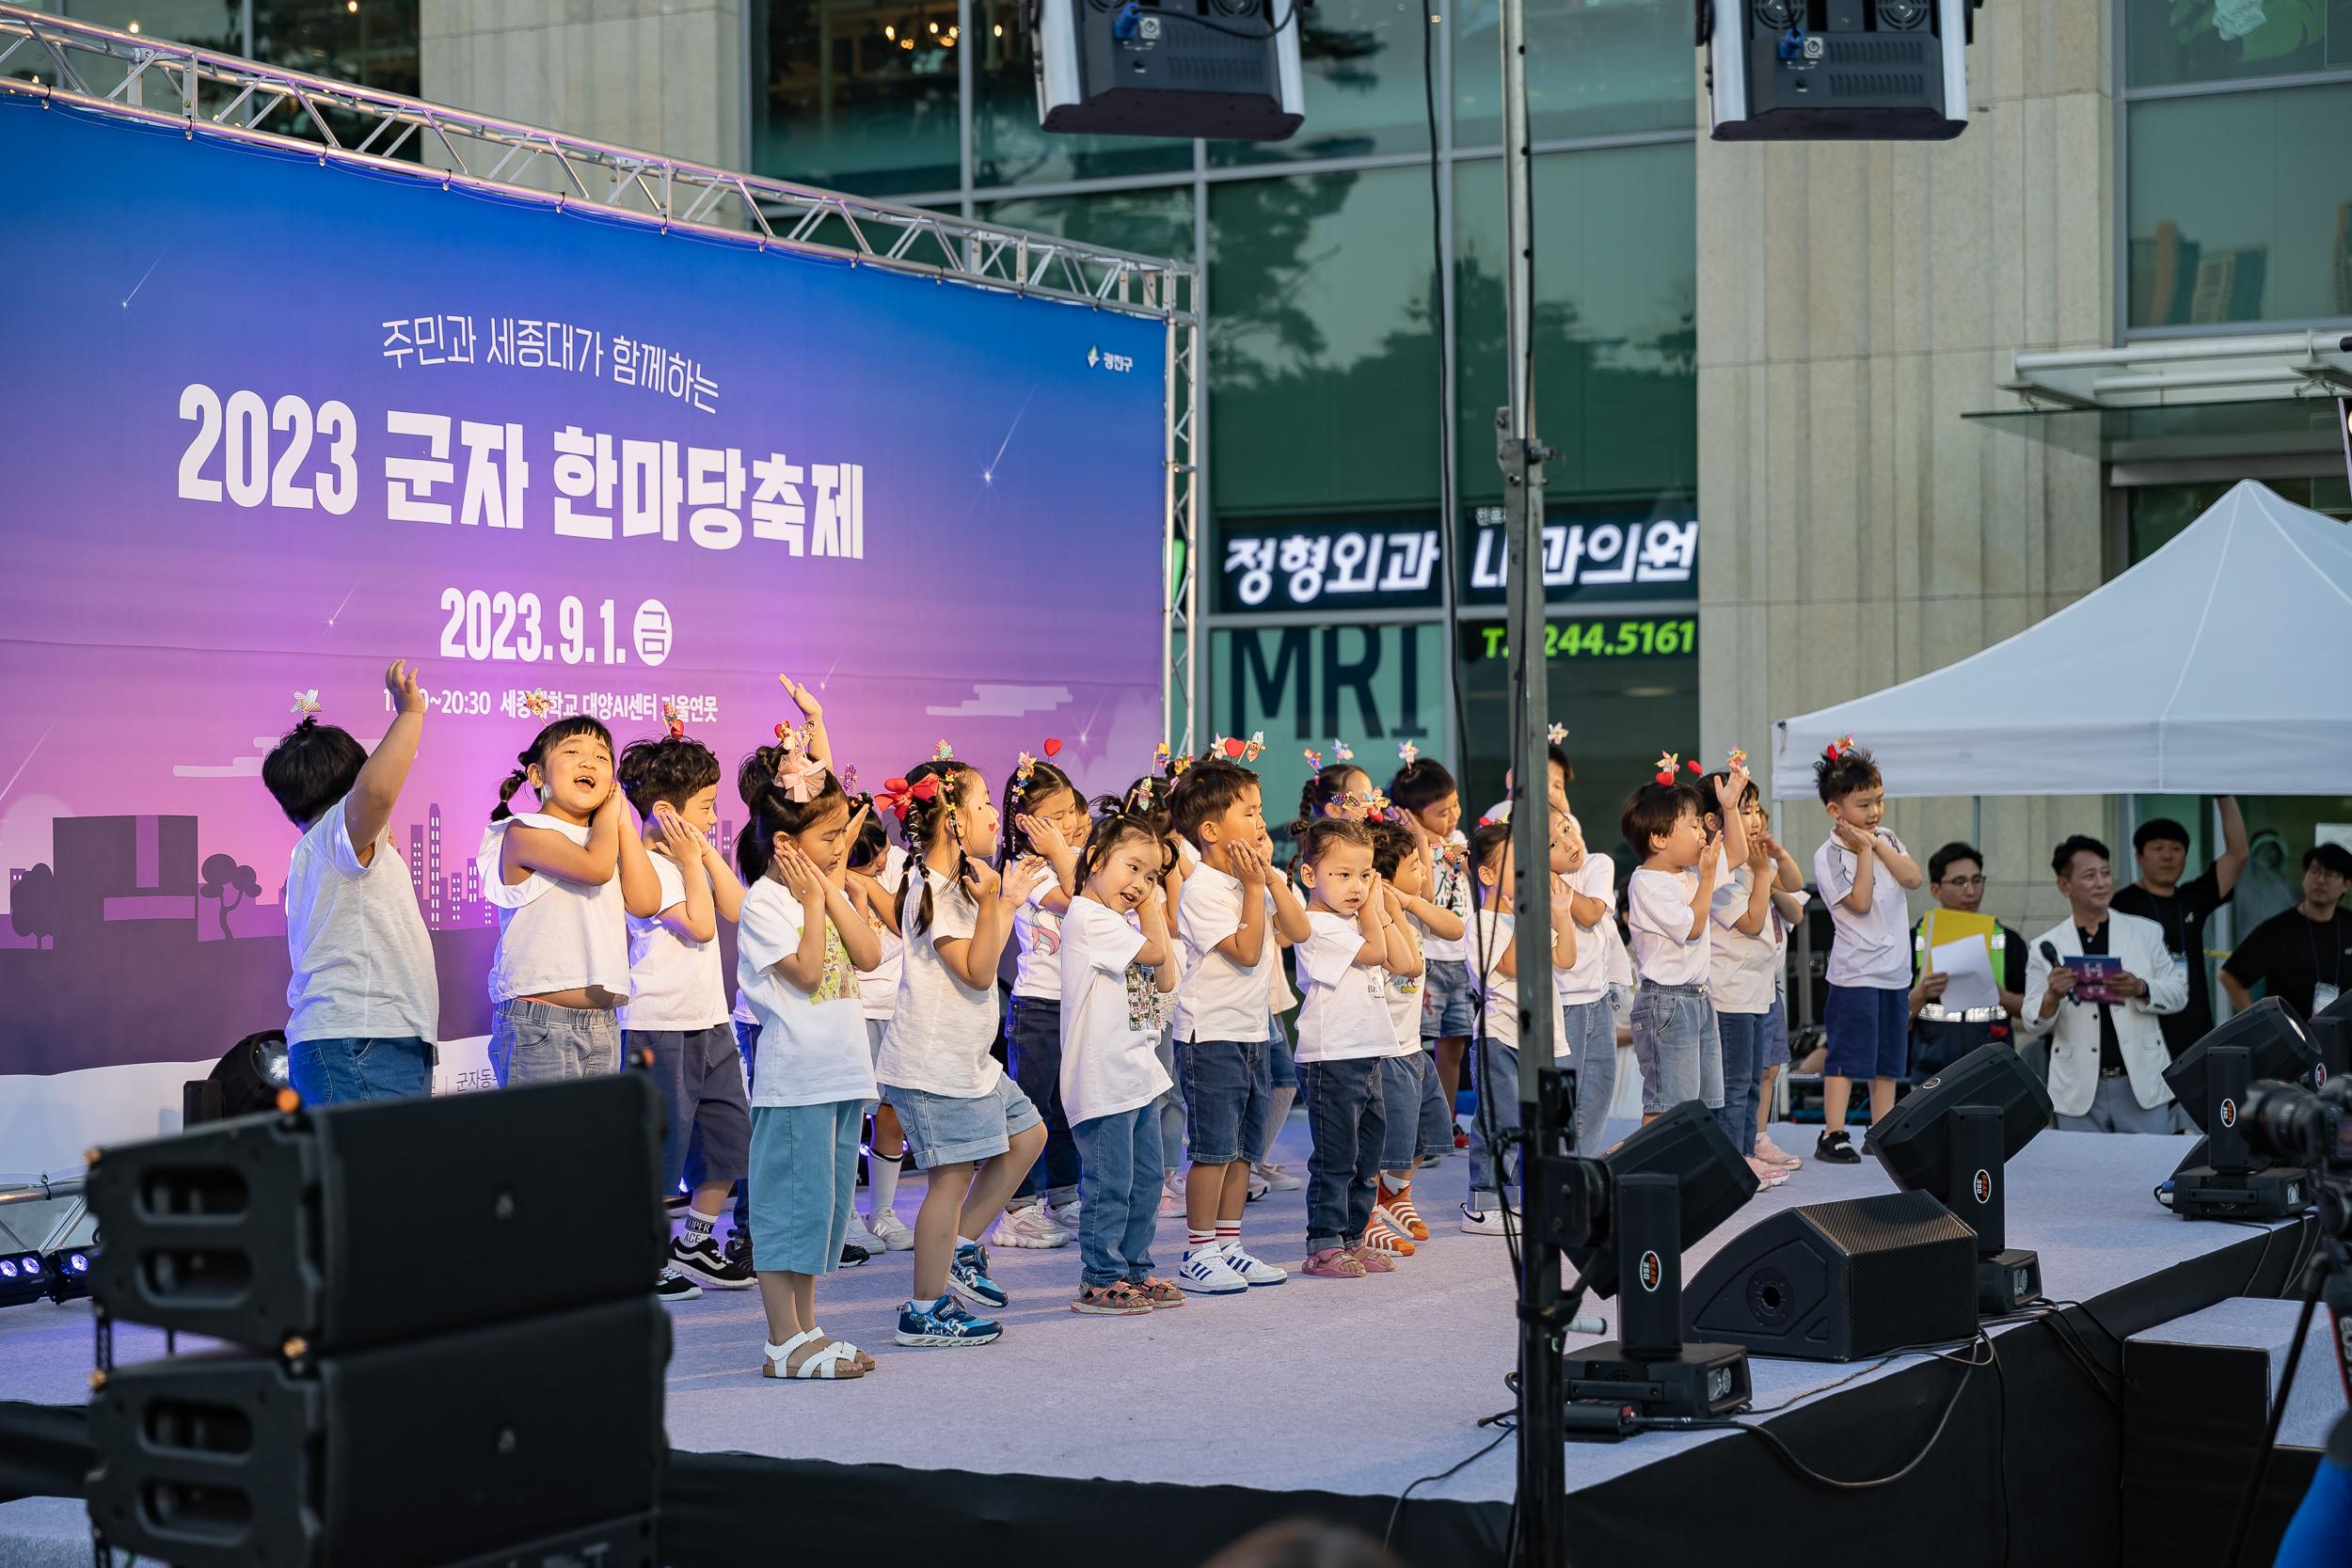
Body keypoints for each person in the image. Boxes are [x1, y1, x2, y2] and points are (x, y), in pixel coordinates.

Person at [876, 756, 1049, 1348]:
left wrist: (1005, 899)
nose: (994, 816)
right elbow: (979, 972)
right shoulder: (934, 889)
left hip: (968, 1059)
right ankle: (923, 1309)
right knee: (948, 1181)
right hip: (934, 1064)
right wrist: (1004, 902)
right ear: (951, 819)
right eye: (981, 805)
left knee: (1028, 1136)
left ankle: (961, 1251)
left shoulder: (961, 884)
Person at [735, 742, 885, 1378]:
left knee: (819, 1212)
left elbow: (870, 954)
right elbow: (800, 974)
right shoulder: (765, 903)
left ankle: (806, 1329)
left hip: (840, 1075)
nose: (840, 847)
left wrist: (830, 888)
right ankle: (780, 1342)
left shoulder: (826, 887)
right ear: (787, 845)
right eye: (829, 837)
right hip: (794, 1081)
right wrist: (818, 901)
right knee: (786, 1210)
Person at [615, 720, 754, 1292]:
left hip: (709, 1020)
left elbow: (736, 910)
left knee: (728, 1139)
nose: (713, 815)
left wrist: (702, 853)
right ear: (668, 811)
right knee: (657, 1152)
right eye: (706, 805)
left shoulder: (687, 857)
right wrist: (691, 860)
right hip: (658, 1025)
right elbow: (699, 926)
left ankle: (694, 1243)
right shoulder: (645, 865)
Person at [264, 660, 439, 1107]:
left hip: (366, 1039)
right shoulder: (336, 836)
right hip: (361, 1041)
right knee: (380, 1176)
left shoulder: (320, 851)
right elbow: (376, 795)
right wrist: (410, 714)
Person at [1168, 756, 1310, 1294]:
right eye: (1249, 813)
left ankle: (1229, 1244)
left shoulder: (1252, 881)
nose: (1259, 822)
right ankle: (1199, 1251)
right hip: (1212, 1037)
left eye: (1259, 811)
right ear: (1210, 831)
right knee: (1213, 1150)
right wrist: (1255, 889)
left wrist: (1270, 877)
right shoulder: (1203, 888)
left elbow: (1296, 932)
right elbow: (1250, 953)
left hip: (1251, 1032)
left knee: (1246, 1150)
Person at [476, 714, 663, 1085]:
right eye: (573, 751)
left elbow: (646, 903)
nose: (589, 761)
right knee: (546, 1143)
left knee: (595, 1145)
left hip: (604, 1024)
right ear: (536, 775)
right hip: (538, 1025)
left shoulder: (607, 837)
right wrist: (610, 818)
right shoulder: (524, 831)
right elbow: (595, 869)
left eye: (602, 757)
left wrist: (623, 821)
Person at [1056, 811, 1184, 1314]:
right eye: (1133, 869)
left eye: (1152, 877)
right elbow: (1157, 954)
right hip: (1103, 1077)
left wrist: (1148, 905)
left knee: (1147, 1180)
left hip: (1138, 1074)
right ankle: (1099, 1277)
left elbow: (1167, 981)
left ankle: (1134, 1269)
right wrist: (1154, 903)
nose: (1142, 886)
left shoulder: (1118, 925)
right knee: (1111, 1182)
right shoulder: (1091, 918)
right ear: (1094, 860)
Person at [1289, 816, 1417, 1277]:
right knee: (1336, 1158)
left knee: (1367, 1157)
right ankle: (1323, 1243)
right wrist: (1372, 910)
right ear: (1310, 876)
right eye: (1342, 875)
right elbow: (1377, 954)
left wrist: (1383, 908)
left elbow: (1407, 964)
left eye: (1365, 875)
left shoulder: (1355, 920)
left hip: (1366, 1054)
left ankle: (1353, 1237)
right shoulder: (1315, 925)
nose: (1357, 886)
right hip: (1331, 1057)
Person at [987, 756, 1089, 1251]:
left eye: (1072, 811)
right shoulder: (1025, 867)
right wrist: (1059, 852)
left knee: (1066, 1106)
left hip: (1073, 1006)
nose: (1069, 823)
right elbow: (1079, 904)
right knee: (1030, 1112)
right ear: (1025, 822)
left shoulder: (1070, 856)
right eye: (1056, 816)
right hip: (1038, 1007)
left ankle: (1064, 1196)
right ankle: (1016, 1209)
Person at [2016, 834, 2184, 1133]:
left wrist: (2141, 988)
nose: (2101, 883)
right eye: (2090, 876)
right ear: (2064, 886)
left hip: (2140, 1083)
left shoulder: (2146, 932)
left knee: (2147, 1175)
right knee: (2081, 1178)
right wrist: (2052, 996)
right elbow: (2032, 1021)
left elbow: (2178, 995)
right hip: (2077, 1088)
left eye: (2105, 873)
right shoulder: (2046, 946)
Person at [1805, 739, 1922, 1164]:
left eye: (1879, 801)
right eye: (1863, 804)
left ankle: (1882, 1131)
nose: (1874, 812)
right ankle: (1833, 1133)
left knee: (1887, 1059)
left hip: (1895, 970)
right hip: (1855, 971)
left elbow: (1913, 879)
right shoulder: (1828, 854)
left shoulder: (1886, 837)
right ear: (1835, 810)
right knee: (1848, 1055)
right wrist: (1866, 853)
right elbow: (1859, 903)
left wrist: (1877, 845)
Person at [1461, 818, 1576, 1235]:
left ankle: (1538, 1197)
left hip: (1547, 1037)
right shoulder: (1481, 925)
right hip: (1502, 1037)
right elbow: (1508, 966)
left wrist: (1560, 914)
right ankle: (1484, 1201)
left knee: (1551, 1124)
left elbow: (1565, 959)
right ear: (1487, 874)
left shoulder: (1529, 915)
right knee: (1502, 1121)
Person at [1626, 766, 1748, 1128]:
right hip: (1666, 1002)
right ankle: (1646, 1174)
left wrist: (1730, 806)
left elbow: (1738, 854)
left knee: (1701, 1102)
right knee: (1667, 1103)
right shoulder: (1648, 882)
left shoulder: (1690, 873)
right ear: (1660, 838)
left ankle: (1686, 1175)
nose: (1702, 834)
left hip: (1697, 997)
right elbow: (1693, 928)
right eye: (1693, 826)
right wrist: (1707, 877)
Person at [1366, 817, 1458, 1250]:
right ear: (1385, 878)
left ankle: (1396, 1194)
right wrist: (1392, 907)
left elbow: (1456, 929)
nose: (1425, 872)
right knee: (1385, 1141)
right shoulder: (1375, 919)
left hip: (1412, 1048)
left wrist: (1410, 899)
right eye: (1416, 866)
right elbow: (1412, 967)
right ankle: (1368, 1211)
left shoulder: (1413, 911)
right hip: (1384, 1052)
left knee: (1428, 1131)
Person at [1703, 768, 1789, 1187]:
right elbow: (1755, 922)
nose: (1751, 820)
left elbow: (1791, 885)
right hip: (1730, 993)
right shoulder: (1720, 874)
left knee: (1753, 1082)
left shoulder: (1756, 862)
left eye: (1754, 810)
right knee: (1734, 1087)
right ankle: (1732, 1161)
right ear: (1714, 820)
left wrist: (1768, 863)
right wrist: (1760, 873)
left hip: (1757, 992)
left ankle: (1749, 1153)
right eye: (1741, 810)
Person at [2110, 800, 2249, 1058]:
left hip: (2193, 1028)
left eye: (2176, 848)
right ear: (2139, 857)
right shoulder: (2119, 904)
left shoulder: (2192, 897)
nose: (2167, 856)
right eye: (2157, 848)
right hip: (2143, 1026)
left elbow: (2238, 854)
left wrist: (2224, 797)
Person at [1391, 753, 1474, 1147]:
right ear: (1410, 814)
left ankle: (1448, 1120)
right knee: (1418, 1045)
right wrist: (1423, 843)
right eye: (1442, 811)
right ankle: (1419, 1127)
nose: (1453, 815)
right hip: (1427, 961)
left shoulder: (1457, 844)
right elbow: (1422, 895)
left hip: (1462, 960)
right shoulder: (1405, 847)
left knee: (1454, 1045)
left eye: (1455, 805)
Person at [842, 805, 914, 1251]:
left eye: (882, 861)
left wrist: (867, 882)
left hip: (899, 1007)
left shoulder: (902, 864)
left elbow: (906, 922)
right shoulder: (831, 878)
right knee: (849, 1116)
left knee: (893, 1113)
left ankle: (882, 1212)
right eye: (867, 865)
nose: (880, 869)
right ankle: (845, 1214)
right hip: (856, 1010)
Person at [1908, 842, 2027, 1079]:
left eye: (1977, 880)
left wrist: (2001, 996)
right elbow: (1890, 1017)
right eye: (1959, 882)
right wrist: (1921, 992)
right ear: (1935, 890)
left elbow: (2033, 1011)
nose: (1971, 891)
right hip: (1930, 1075)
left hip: (1993, 1073)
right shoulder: (1912, 941)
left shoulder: (2007, 940)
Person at [2222, 843, 2352, 1021]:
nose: (2321, 879)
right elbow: (2230, 977)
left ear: (2346, 885)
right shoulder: (2278, 929)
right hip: (2294, 1042)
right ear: (2305, 876)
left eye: (2331, 874)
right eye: (2315, 872)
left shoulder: (2348, 923)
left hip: (2343, 1039)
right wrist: (2260, 1023)